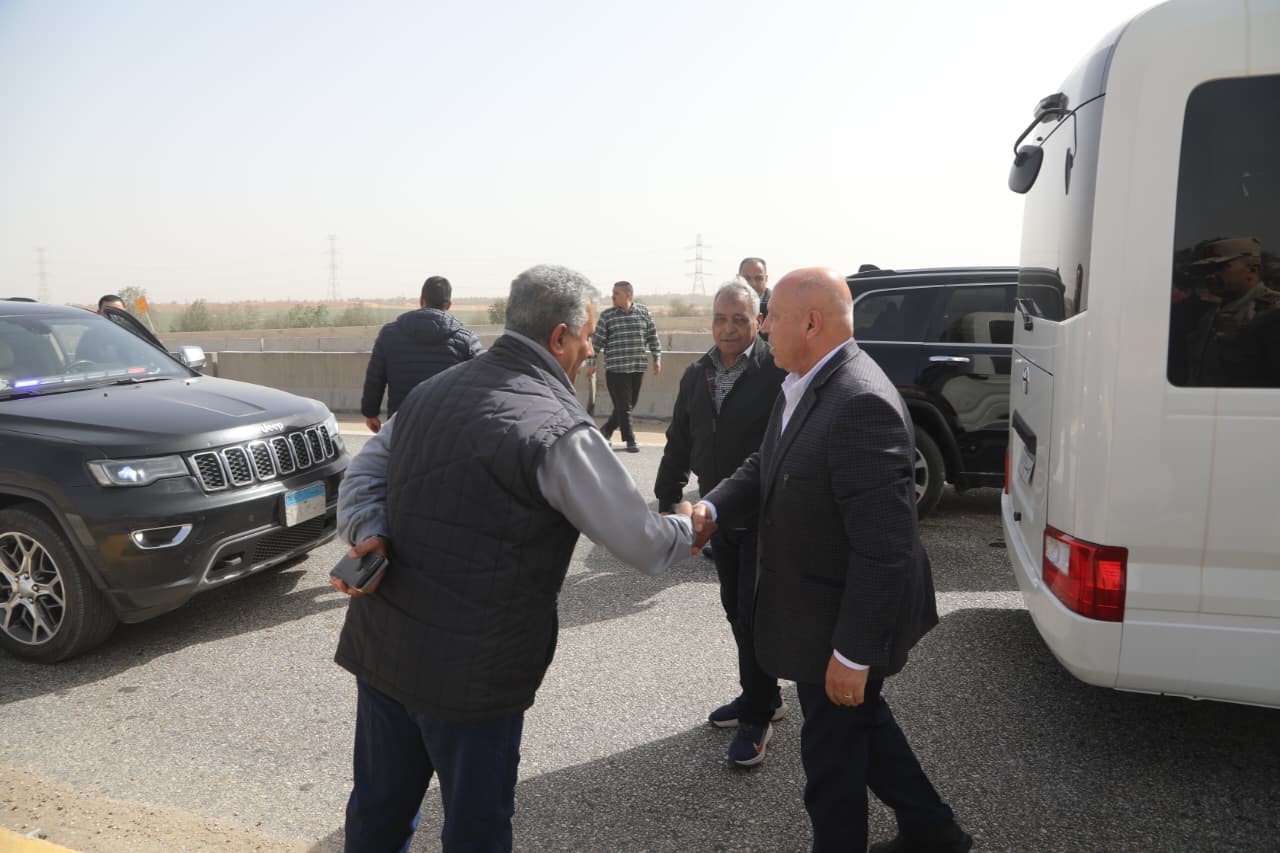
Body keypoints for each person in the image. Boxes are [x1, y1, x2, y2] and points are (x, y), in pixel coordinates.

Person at [331, 264, 695, 853]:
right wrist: (691, 525)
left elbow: (363, 475)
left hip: (386, 651)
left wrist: (369, 530)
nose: (590, 352)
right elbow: (645, 543)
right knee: (476, 828)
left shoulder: (429, 393)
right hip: (474, 679)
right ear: (559, 337)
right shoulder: (560, 430)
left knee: (378, 813)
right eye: (587, 338)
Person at [691, 268, 971, 853]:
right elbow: (766, 463)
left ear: (812, 324)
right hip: (820, 610)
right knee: (862, 726)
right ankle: (934, 831)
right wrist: (713, 507)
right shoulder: (802, 380)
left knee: (831, 764)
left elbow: (885, 546)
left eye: (772, 317)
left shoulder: (858, 402)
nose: (762, 328)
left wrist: (853, 653)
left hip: (842, 623)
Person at [653, 278, 788, 767]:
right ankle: (763, 694)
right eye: (719, 319)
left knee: (754, 614)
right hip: (715, 519)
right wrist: (668, 496)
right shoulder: (698, 374)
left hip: (763, 516)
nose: (728, 329)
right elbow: (679, 439)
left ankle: (757, 714)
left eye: (739, 319)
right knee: (735, 608)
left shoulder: (777, 371)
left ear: (758, 321)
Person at [360, 275, 482, 434]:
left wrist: (370, 413)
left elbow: (375, 378)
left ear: (421, 300)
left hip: (402, 427)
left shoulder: (389, 335)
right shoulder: (466, 340)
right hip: (447, 431)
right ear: (449, 304)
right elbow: (484, 382)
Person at [1180, 237, 1280, 386]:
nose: (1209, 276)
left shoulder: (1272, 313)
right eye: (1206, 270)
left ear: (1252, 269)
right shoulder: (1211, 313)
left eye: (1220, 268)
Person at [585, 281, 660, 452]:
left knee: (628, 404)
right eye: (612, 293)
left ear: (628, 294)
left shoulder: (644, 312)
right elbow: (596, 343)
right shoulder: (607, 316)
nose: (612, 296)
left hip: (637, 367)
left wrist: (657, 358)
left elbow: (652, 337)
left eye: (616, 293)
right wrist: (591, 363)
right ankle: (630, 439)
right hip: (616, 370)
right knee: (624, 406)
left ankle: (605, 431)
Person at [739, 257, 770, 323]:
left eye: (758, 278)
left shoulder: (776, 306)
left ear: (766, 279)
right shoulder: (728, 305)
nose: (752, 284)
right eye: (747, 278)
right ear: (738, 278)